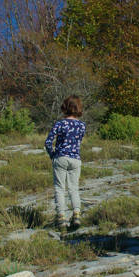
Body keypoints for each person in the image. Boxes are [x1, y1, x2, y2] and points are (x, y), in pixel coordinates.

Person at [45, 96, 86, 230]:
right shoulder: (82, 125)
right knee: (74, 188)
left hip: (61, 157)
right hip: (75, 159)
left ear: (65, 107)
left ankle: (61, 217)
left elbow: (48, 142)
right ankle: (77, 214)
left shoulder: (60, 124)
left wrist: (53, 155)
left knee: (60, 188)